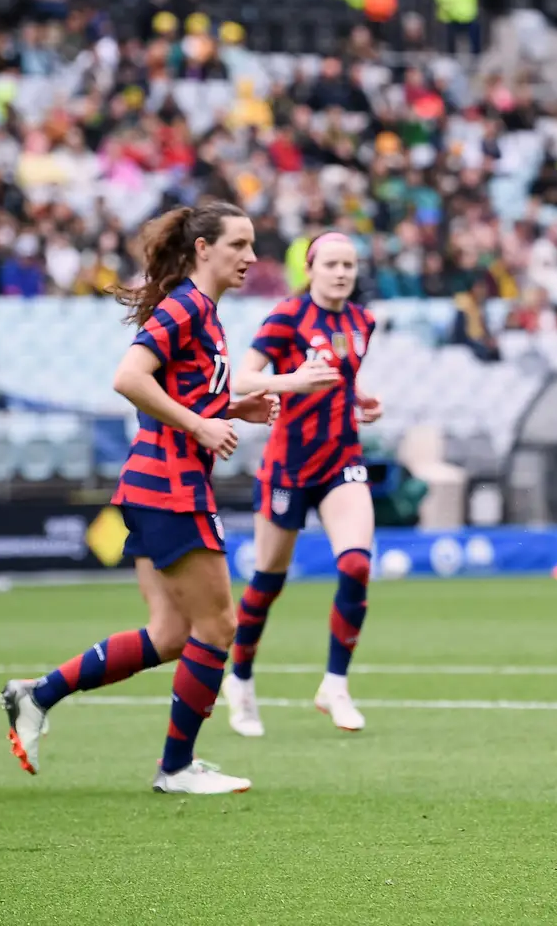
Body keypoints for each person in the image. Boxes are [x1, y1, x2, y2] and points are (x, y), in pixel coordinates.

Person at [0, 202, 278, 795]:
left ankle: (37, 695)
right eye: (239, 245)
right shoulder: (186, 307)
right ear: (203, 248)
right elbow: (129, 377)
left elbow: (181, 390)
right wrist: (202, 427)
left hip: (154, 484)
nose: (251, 257)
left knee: (171, 635)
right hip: (172, 487)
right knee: (219, 625)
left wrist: (228, 408)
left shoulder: (203, 311)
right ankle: (175, 769)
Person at [221, 231, 383, 738]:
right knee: (268, 581)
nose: (341, 273)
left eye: (349, 265)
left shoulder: (361, 321)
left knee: (356, 563)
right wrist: (291, 382)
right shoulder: (287, 317)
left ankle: (335, 684)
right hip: (288, 466)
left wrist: (359, 398)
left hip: (342, 459)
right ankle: (240, 680)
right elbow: (243, 378)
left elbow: (340, 373)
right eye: (331, 264)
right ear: (310, 269)